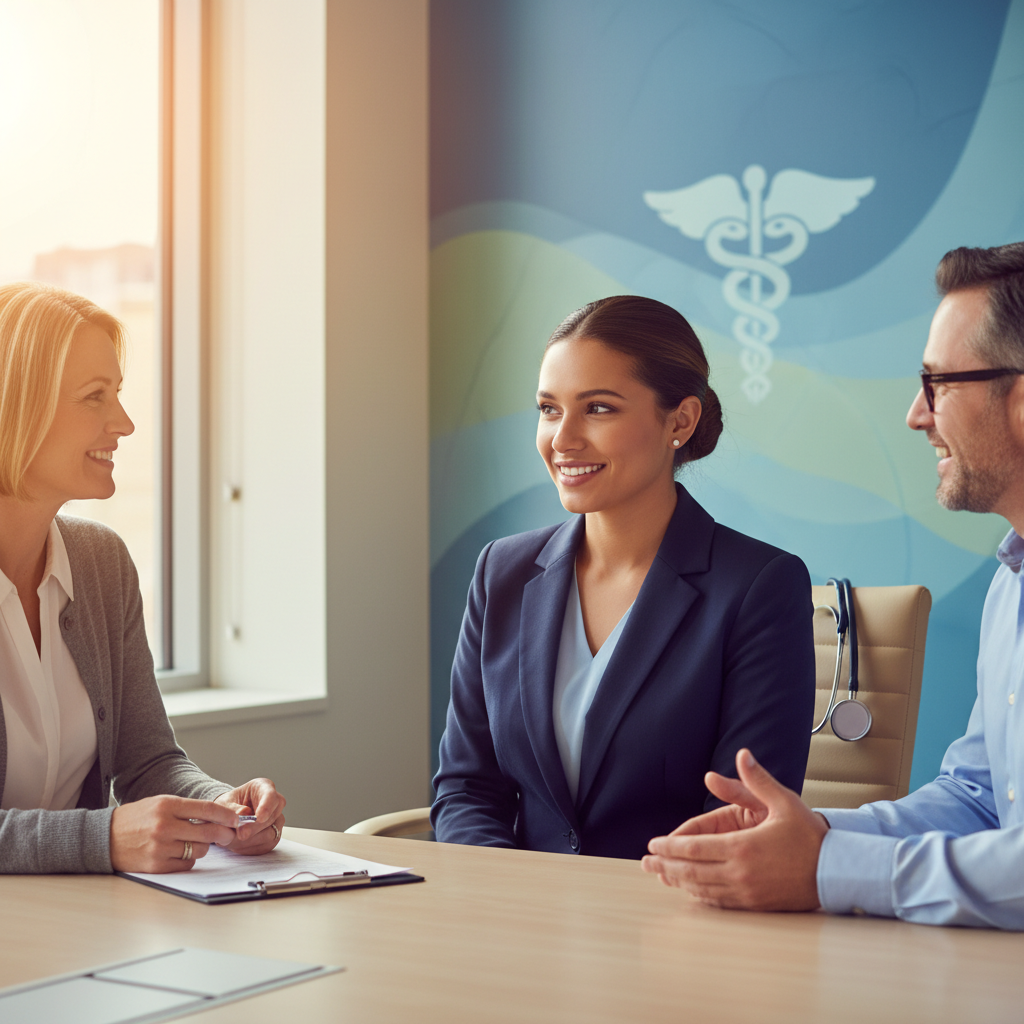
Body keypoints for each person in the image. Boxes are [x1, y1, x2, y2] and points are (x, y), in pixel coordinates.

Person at [642, 242, 1024, 930]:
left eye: (939, 384)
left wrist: (827, 868)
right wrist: (808, 833)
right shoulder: (1013, 581)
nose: (916, 413)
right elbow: (978, 797)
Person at [431, 295, 815, 858]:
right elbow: (466, 788)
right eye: (548, 409)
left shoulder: (759, 587)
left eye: (599, 409)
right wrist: (512, 906)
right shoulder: (502, 573)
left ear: (679, 420)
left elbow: (740, 817)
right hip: (515, 924)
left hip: (674, 924)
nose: (562, 439)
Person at [0, 281, 286, 875]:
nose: (124, 423)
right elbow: (104, 830)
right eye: (94, 397)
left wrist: (216, 806)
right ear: (17, 405)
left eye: (119, 394)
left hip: (78, 927)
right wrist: (100, 839)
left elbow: (148, 760)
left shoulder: (101, 563)